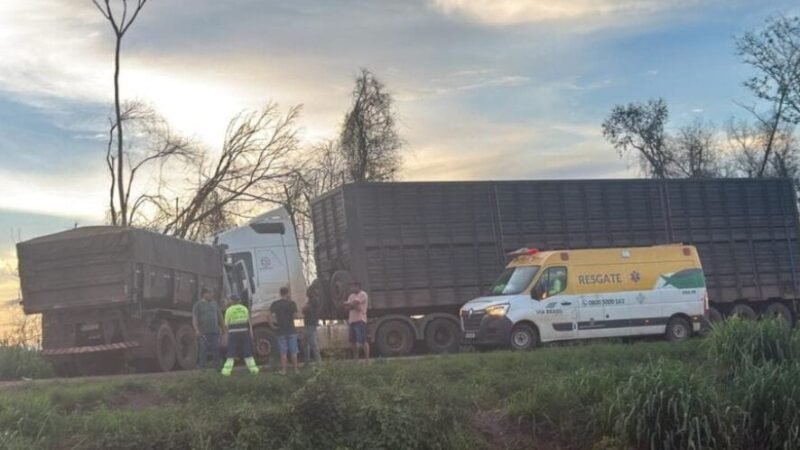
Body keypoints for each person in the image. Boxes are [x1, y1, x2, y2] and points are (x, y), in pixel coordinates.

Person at [221, 294, 259, 376]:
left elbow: (226, 324)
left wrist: (226, 334)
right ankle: (254, 370)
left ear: (232, 301)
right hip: (244, 333)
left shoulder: (229, 310)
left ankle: (226, 372)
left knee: (231, 352)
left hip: (233, 333)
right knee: (247, 351)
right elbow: (248, 321)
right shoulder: (244, 309)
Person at [270, 287, 299, 374]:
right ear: (288, 293)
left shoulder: (275, 304)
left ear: (280, 293)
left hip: (280, 331)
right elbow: (296, 316)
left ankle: (284, 370)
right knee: (294, 352)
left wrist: (272, 325)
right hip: (291, 330)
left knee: (283, 352)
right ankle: (296, 370)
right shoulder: (292, 303)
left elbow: (268, 315)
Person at [193, 287, 223, 369]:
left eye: (212, 293)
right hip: (203, 332)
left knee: (216, 349)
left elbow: (219, 316)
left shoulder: (215, 303)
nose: (212, 295)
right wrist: (196, 330)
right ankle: (202, 367)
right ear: (204, 294)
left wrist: (222, 328)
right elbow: (195, 318)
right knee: (203, 350)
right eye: (210, 293)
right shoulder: (198, 305)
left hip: (215, 331)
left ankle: (217, 367)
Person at [343, 281, 369, 361]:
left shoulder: (363, 294)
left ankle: (367, 359)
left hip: (360, 320)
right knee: (353, 342)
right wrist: (353, 305)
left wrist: (350, 305)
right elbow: (346, 308)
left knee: (362, 341)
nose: (351, 288)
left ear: (358, 286)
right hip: (352, 321)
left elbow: (353, 304)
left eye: (353, 286)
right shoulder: (351, 296)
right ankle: (356, 359)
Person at [302, 287, 322, 364]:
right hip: (308, 324)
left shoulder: (314, 300)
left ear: (311, 292)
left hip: (311, 324)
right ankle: (307, 361)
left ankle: (319, 362)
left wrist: (304, 308)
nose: (306, 293)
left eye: (307, 291)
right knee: (305, 343)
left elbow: (305, 309)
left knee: (313, 344)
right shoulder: (310, 300)